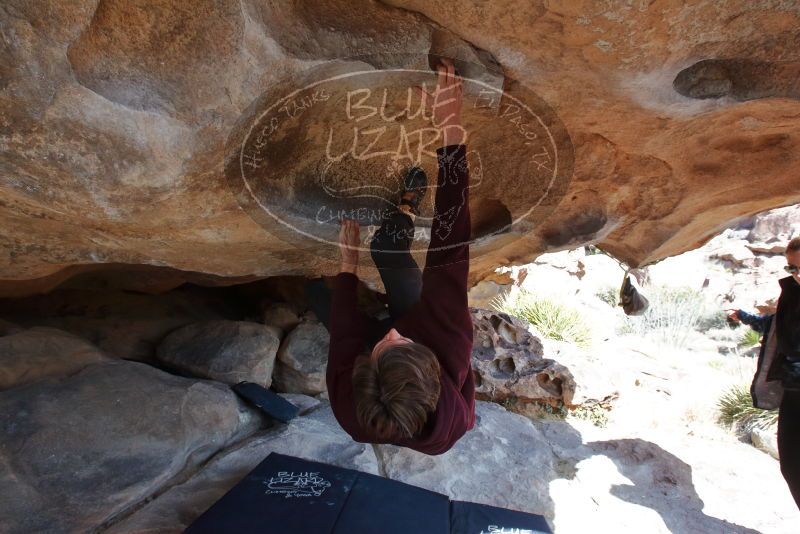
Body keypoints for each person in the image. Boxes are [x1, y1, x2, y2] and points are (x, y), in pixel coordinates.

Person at [305, 58, 475, 455]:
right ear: (432, 371)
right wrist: (451, 130)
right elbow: (451, 245)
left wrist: (347, 268)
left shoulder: (350, 407)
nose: (393, 332)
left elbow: (346, 339)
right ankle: (405, 211)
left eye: (384, 345)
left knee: (317, 294)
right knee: (384, 248)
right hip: (427, 329)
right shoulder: (448, 344)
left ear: (365, 367)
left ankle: (349, 301)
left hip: (393, 356)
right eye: (402, 343)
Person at [727, 236, 800, 509]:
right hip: (793, 387)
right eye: (792, 268)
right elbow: (775, 327)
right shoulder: (792, 294)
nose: (796, 275)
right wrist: (743, 316)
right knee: (791, 464)